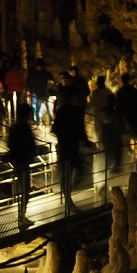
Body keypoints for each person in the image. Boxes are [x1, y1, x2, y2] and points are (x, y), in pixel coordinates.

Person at [50, 86, 88, 214]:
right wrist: (85, 141)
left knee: (67, 172)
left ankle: (67, 197)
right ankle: (68, 199)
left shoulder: (62, 111)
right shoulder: (76, 112)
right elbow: (80, 129)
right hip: (71, 146)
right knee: (72, 171)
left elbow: (55, 129)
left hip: (65, 146)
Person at [6, 103, 38, 230]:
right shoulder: (25, 127)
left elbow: (9, 143)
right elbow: (30, 143)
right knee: (25, 190)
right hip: (24, 160)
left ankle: (21, 216)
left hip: (16, 160)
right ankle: (22, 217)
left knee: (21, 189)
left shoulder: (14, 127)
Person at [87, 75, 120, 174]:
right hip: (109, 119)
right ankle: (110, 165)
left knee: (101, 142)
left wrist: (86, 112)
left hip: (99, 119)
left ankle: (103, 166)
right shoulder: (108, 92)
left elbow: (90, 106)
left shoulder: (96, 93)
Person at [115, 72, 137, 166]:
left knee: (126, 142)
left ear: (122, 81)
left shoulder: (120, 92)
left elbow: (117, 106)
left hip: (124, 120)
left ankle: (127, 160)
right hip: (135, 119)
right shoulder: (134, 91)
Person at [26, 58, 54, 126]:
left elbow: (51, 80)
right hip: (37, 92)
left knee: (47, 107)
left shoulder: (44, 73)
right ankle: (38, 121)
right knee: (37, 108)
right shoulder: (34, 73)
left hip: (43, 92)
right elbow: (29, 82)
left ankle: (50, 120)